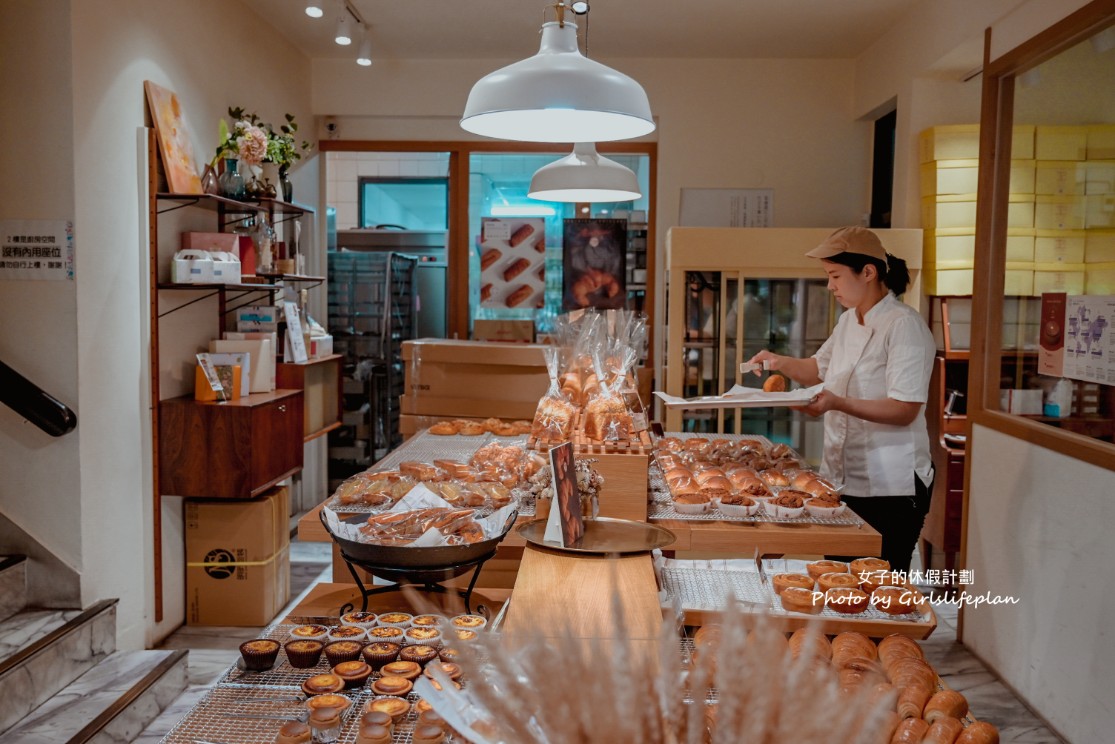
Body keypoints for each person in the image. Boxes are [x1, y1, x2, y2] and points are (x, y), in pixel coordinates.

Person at [746, 226, 935, 573]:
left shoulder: (903, 326)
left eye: (835, 275)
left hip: (890, 484)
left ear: (868, 272)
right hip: (843, 478)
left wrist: (836, 402)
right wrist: (776, 361)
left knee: (880, 587)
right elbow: (818, 368)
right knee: (839, 580)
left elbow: (904, 409)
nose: (830, 285)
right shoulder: (849, 321)